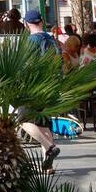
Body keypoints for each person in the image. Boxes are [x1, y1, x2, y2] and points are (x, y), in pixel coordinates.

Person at [22, 9, 61, 170]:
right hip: (51, 85)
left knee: (23, 120)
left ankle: (50, 148)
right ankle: (48, 166)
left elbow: (26, 65)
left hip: (34, 87)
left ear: (26, 24)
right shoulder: (51, 39)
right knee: (44, 123)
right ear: (42, 22)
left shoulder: (31, 41)